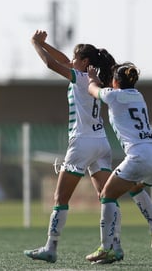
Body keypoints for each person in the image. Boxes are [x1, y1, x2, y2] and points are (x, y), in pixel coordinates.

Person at [24, 30, 117, 263]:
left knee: (60, 197)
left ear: (85, 62)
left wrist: (36, 44)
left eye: (77, 58)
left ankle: (51, 247)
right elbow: (65, 60)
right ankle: (113, 246)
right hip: (101, 143)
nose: (72, 61)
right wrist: (45, 43)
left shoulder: (80, 77)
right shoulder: (98, 79)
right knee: (107, 196)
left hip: (82, 143)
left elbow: (50, 64)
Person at [85, 62, 152, 264]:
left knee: (107, 195)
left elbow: (92, 90)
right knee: (136, 189)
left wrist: (92, 78)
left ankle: (106, 248)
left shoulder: (114, 96)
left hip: (140, 155)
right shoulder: (139, 96)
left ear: (115, 82)